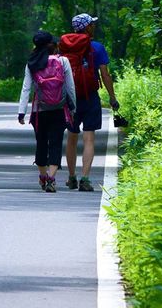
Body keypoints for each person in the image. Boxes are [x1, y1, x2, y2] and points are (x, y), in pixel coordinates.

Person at [59, 13, 119, 192]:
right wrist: (112, 97)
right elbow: (105, 75)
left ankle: (71, 177)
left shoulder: (64, 47)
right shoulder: (97, 48)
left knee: (71, 137)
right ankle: (85, 178)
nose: (94, 26)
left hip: (71, 97)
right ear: (88, 28)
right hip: (90, 96)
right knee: (89, 138)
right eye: (92, 24)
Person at [17, 31, 77, 193]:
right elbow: (70, 87)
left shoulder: (32, 63)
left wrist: (21, 112)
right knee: (56, 143)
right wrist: (73, 108)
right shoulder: (63, 61)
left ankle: (43, 176)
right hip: (59, 109)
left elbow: (26, 88)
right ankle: (51, 177)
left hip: (39, 111)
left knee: (41, 143)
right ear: (52, 45)